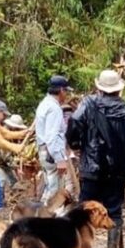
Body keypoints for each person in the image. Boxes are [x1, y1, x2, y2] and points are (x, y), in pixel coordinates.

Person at [66, 70, 125, 248]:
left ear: (99, 88)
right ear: (119, 90)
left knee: (84, 209)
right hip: (118, 171)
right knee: (114, 209)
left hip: (92, 168)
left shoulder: (88, 105)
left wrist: (77, 146)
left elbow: (73, 126)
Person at [36, 75, 73, 203]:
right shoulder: (54, 108)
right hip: (51, 153)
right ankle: (46, 220)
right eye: (66, 91)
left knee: (49, 187)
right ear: (61, 90)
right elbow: (52, 136)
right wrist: (59, 159)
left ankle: (40, 218)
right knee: (54, 191)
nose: (66, 95)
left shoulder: (44, 104)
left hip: (44, 150)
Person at [0, 113, 26, 192]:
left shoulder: (10, 136)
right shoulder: (3, 135)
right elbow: (6, 156)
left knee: (13, 182)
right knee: (1, 181)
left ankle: (14, 199)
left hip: (3, 161)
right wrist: (16, 168)